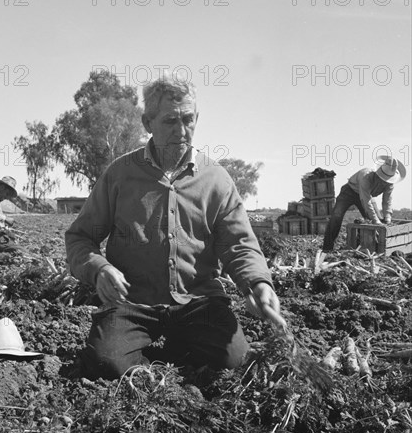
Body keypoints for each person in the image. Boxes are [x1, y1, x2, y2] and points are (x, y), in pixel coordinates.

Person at [65, 75, 285, 380]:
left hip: (198, 302)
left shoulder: (216, 179)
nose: (182, 131)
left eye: (188, 119)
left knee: (232, 363)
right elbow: (80, 237)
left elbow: (239, 243)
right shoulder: (119, 175)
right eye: (170, 121)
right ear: (147, 122)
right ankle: (164, 349)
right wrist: (99, 268)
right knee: (106, 365)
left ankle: (180, 343)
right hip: (133, 303)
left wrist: (257, 283)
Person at [322, 156, 406, 252]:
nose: (384, 182)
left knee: (375, 219)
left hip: (367, 195)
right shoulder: (366, 176)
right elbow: (366, 201)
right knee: (337, 215)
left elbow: (387, 201)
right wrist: (376, 221)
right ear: (378, 175)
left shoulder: (390, 183)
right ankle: (327, 248)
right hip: (349, 192)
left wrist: (387, 217)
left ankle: (373, 247)